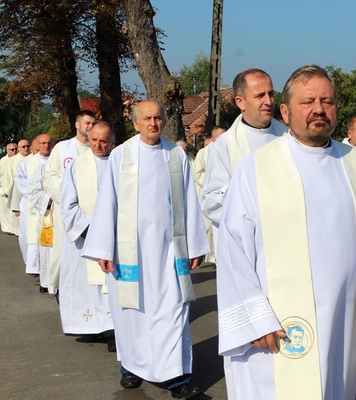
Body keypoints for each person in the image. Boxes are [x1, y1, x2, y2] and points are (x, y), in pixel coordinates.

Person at [217, 65, 356, 399]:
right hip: (277, 325)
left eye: (327, 101)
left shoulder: (355, 163)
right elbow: (232, 247)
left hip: (342, 323)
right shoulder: (256, 168)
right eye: (308, 101)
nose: (319, 109)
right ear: (285, 111)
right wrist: (255, 317)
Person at [82, 100, 210, 399]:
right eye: (147, 119)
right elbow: (107, 203)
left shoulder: (176, 155)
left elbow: (191, 200)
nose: (153, 123)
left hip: (169, 251)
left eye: (158, 118)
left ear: (164, 121)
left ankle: (177, 377)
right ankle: (132, 367)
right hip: (131, 253)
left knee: (174, 310)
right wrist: (104, 247)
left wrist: (194, 244)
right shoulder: (121, 155)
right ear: (136, 123)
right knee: (132, 313)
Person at [201, 69, 287, 252]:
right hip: (246, 244)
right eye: (260, 96)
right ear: (240, 102)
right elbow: (212, 202)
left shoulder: (289, 136)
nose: (268, 101)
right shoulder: (225, 146)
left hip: (285, 238)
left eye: (271, 94)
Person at [59, 121, 116, 348]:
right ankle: (91, 326)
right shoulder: (77, 165)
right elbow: (67, 203)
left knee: (109, 282)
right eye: (94, 140)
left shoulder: (119, 164)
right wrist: (88, 229)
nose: (98, 145)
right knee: (86, 283)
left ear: (112, 143)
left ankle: (112, 329)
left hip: (113, 237)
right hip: (85, 236)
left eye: (103, 141)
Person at [43, 110, 95, 296]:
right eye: (87, 123)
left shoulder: (97, 148)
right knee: (64, 249)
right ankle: (61, 287)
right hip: (66, 210)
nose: (90, 126)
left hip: (91, 209)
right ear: (77, 124)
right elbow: (49, 177)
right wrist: (70, 193)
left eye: (93, 123)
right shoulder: (62, 149)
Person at [14, 135, 53, 288]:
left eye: (49, 143)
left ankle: (50, 271)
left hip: (53, 204)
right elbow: (20, 181)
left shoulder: (57, 160)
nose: (46, 146)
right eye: (43, 143)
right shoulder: (27, 163)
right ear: (37, 144)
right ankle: (33, 267)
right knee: (29, 235)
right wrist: (40, 198)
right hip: (32, 203)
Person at [192, 125, 226, 264]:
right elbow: (197, 173)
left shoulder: (228, 149)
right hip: (208, 195)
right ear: (213, 138)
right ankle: (212, 255)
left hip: (225, 194)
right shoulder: (204, 153)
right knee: (209, 228)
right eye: (220, 136)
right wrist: (212, 179)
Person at [0, 142, 18, 233]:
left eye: (15, 149)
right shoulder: (3, 161)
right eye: (12, 149)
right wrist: (2, 189)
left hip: (16, 189)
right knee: (6, 211)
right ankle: (7, 228)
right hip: (4, 189)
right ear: (7, 151)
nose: (14, 151)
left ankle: (16, 228)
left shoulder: (19, 159)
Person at [8, 140, 32, 235]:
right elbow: (8, 177)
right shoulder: (13, 160)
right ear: (19, 148)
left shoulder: (32, 158)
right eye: (23, 147)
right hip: (17, 190)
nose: (26, 148)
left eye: (28, 146)